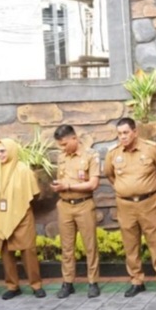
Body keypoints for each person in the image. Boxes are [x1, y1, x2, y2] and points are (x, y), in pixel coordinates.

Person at [104, 118, 156, 297]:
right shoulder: (113, 153)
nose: (123, 137)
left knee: (155, 242)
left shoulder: (150, 149)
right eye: (119, 134)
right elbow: (110, 175)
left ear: (135, 132)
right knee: (130, 244)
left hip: (149, 203)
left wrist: (154, 188)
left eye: (126, 133)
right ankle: (136, 281)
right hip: (125, 205)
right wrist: (123, 188)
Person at [0, 139, 44, 300]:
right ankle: (12, 286)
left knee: (28, 251)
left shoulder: (24, 170)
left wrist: (18, 205)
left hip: (22, 216)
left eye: (3, 151)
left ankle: (36, 284)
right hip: (2, 217)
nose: (0, 154)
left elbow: (34, 194)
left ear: (11, 150)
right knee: (5, 251)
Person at [52, 125, 101, 299]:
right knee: (66, 247)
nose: (62, 148)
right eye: (60, 145)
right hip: (65, 205)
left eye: (65, 144)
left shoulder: (90, 155)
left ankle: (93, 282)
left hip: (84, 204)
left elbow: (93, 184)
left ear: (74, 138)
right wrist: (58, 186)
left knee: (90, 246)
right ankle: (68, 282)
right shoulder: (62, 157)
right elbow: (61, 178)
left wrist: (68, 186)